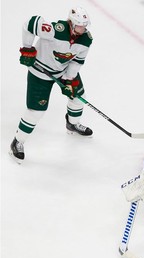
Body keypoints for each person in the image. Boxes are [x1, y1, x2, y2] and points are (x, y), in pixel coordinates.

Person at [9, 7, 93, 164]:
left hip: (63, 71)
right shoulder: (55, 30)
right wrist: (27, 48)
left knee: (79, 98)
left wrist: (69, 79)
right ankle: (17, 141)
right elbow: (29, 23)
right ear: (71, 23)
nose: (83, 29)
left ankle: (72, 124)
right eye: (80, 25)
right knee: (36, 112)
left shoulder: (86, 39)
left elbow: (77, 61)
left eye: (85, 25)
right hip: (40, 73)